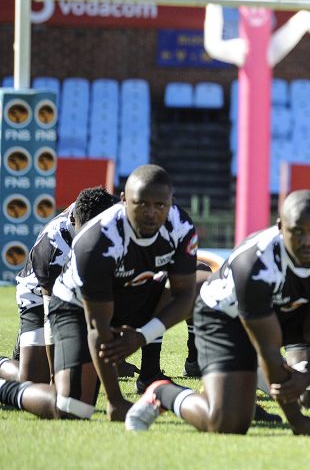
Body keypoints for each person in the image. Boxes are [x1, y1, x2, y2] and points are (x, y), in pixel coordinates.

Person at [124, 190, 310, 435]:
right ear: (280, 227)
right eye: (297, 231)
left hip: (279, 312)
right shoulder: (255, 264)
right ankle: (162, 393)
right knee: (226, 424)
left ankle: (241, 392)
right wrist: (295, 418)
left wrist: (307, 376)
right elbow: (267, 348)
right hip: (224, 318)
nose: (306, 241)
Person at [0, 165, 197, 422]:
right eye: (141, 204)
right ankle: (6, 388)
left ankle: (155, 378)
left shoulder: (181, 227)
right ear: (124, 201)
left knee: (203, 282)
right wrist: (116, 400)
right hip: (74, 305)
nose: (151, 213)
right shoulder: (97, 242)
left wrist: (140, 337)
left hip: (130, 289)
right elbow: (97, 326)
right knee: (73, 408)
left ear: (171, 202)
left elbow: (184, 295)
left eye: (160, 205)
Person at [0, 187, 116, 384]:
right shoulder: (53, 247)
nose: (92, 240)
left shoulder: (105, 215)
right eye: (86, 232)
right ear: (73, 221)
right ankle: (7, 361)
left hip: (82, 289)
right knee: (34, 382)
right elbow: (51, 314)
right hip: (38, 297)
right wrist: (56, 375)